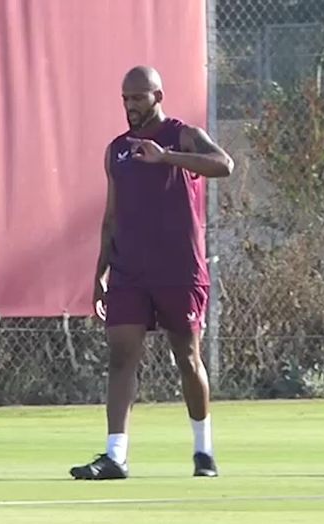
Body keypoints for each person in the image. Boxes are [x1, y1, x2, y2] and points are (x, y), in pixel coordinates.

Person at [70, 66, 235, 480]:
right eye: (125, 98)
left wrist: (168, 158)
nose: (130, 106)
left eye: (138, 98)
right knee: (121, 358)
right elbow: (110, 216)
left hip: (178, 268)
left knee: (187, 357)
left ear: (158, 96)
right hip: (129, 271)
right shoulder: (117, 150)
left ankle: (203, 452)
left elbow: (224, 164)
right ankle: (115, 455)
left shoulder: (182, 135)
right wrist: (100, 272)